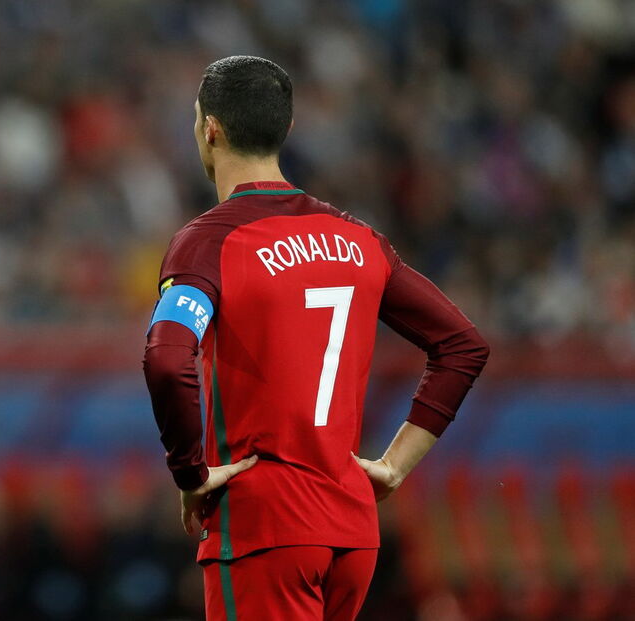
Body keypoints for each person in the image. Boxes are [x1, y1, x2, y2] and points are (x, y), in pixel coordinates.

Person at [142, 56, 489, 620]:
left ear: (210, 129)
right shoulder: (359, 240)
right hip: (351, 532)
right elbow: (462, 345)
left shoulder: (210, 243)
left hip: (266, 526)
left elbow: (166, 358)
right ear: (287, 130)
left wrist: (190, 472)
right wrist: (396, 465)